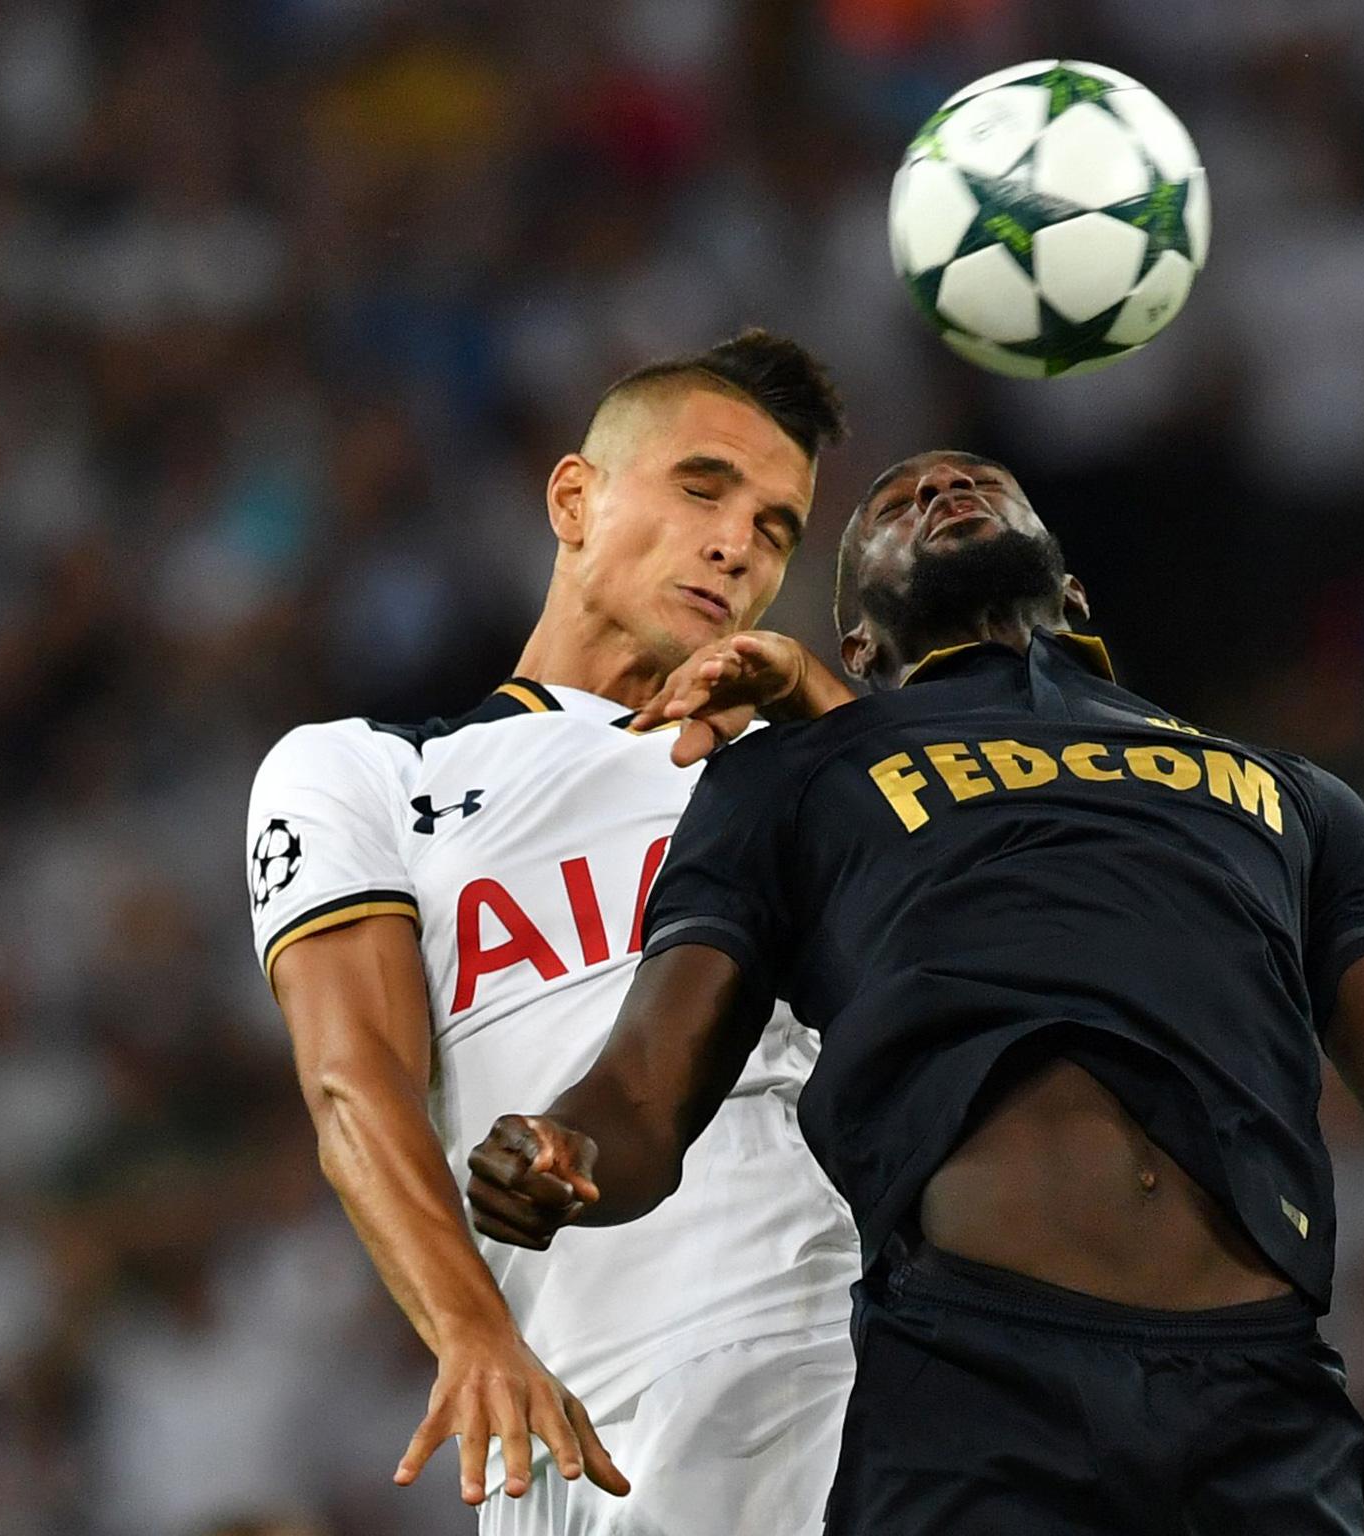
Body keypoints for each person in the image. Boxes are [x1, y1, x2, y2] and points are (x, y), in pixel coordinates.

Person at [467, 450, 1364, 1533]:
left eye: (974, 483)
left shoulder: (1287, 793)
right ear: (856, 645)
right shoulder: (791, 778)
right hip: (980, 1387)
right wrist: (563, 1145)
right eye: (898, 500)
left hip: (1257, 1405)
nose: (942, 487)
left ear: (1071, 589)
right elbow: (644, 1088)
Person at [243, 331, 864, 1535]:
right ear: (574, 498)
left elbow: (988, 901)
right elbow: (352, 1079)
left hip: (830, 1352)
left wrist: (828, 717)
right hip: (561, 1420)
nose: (738, 544)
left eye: (778, 528)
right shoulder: (363, 774)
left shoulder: (789, 778)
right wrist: (468, 1331)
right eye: (702, 488)